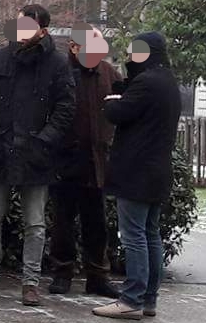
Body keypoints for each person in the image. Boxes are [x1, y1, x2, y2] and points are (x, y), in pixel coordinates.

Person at [0, 4, 75, 306]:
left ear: (43, 30)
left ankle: (31, 282)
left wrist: (44, 141)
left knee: (35, 223)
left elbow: (65, 106)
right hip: (0, 151)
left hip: (36, 154)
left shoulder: (57, 63)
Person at [93, 32, 181, 320]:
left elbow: (118, 113)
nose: (131, 56)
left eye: (136, 51)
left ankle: (131, 299)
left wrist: (110, 99)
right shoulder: (167, 81)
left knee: (133, 238)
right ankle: (148, 300)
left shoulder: (146, 83)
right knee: (150, 235)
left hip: (136, 172)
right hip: (157, 171)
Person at [48, 27, 122, 298]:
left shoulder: (110, 74)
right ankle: (62, 273)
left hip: (98, 160)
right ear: (74, 47)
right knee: (63, 222)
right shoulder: (60, 73)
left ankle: (98, 276)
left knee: (97, 223)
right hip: (65, 159)